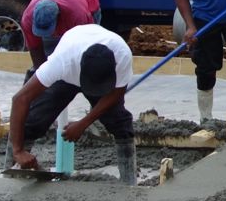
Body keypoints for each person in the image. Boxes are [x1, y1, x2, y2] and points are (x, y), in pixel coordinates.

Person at [8, 24, 137, 184]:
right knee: (33, 121)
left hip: (97, 64)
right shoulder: (62, 62)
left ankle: (129, 184)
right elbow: (20, 99)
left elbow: (116, 92)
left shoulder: (122, 55)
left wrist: (84, 123)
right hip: (67, 76)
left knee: (120, 123)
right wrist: (18, 150)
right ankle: (10, 172)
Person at [20, 0, 102, 69]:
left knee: (87, 58)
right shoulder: (27, 19)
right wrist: (41, 73)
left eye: (49, 30)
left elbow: (83, 47)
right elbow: (35, 49)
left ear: (58, 18)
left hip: (88, 0)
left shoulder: (77, 16)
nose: (48, 36)